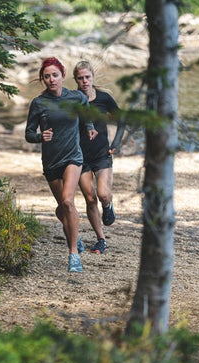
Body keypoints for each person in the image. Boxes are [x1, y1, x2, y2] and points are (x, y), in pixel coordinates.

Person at [25, 57, 98, 273]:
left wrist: (90, 127)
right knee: (63, 210)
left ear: (63, 76)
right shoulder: (39, 103)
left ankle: (73, 253)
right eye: (46, 76)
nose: (51, 79)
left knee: (68, 201)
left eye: (54, 75)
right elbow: (29, 134)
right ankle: (74, 231)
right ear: (43, 79)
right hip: (51, 162)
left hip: (73, 157)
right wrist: (40, 136)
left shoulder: (76, 97)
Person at [72, 60, 126, 254]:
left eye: (87, 77)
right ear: (75, 80)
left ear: (92, 77)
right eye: (80, 78)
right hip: (80, 157)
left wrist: (117, 143)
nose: (84, 81)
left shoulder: (104, 98)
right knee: (90, 198)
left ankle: (108, 204)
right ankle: (101, 239)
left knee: (102, 194)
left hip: (102, 154)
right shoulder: (73, 100)